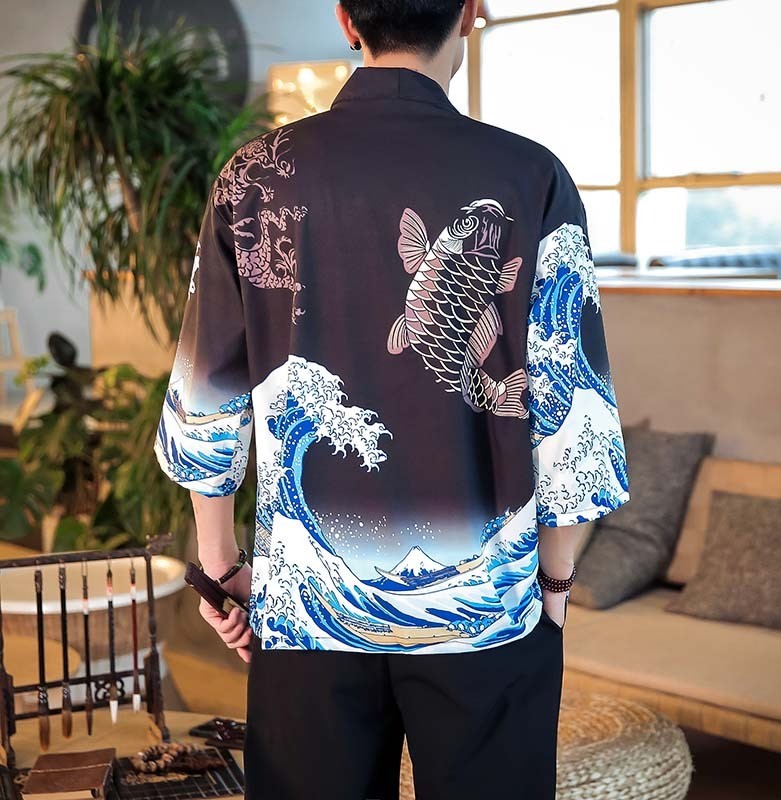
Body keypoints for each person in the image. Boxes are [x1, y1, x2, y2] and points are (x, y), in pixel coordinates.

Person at [153, 1, 630, 797]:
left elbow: (208, 391)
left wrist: (221, 562)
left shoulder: (255, 175)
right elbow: (572, 405)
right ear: (470, 12)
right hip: (486, 616)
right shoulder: (531, 176)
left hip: (309, 615)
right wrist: (552, 583)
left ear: (346, 19)